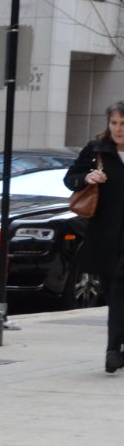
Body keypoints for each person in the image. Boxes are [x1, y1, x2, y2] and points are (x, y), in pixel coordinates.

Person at [65, 101, 124, 373]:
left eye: (123, 124)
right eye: (114, 123)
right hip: (107, 235)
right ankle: (117, 348)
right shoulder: (97, 149)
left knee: (119, 289)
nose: (118, 129)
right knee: (114, 291)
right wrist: (87, 177)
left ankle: (113, 349)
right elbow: (70, 178)